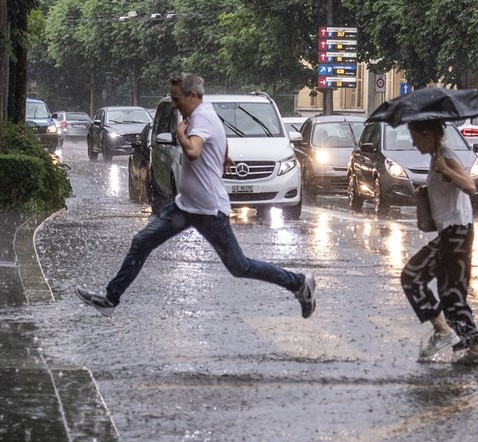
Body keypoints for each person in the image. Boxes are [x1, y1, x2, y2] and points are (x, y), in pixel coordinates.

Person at [76, 73, 315, 318]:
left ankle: (298, 283)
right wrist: (223, 155)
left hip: (208, 210)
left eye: (176, 98)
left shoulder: (199, 119)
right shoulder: (206, 114)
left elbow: (192, 151)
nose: (173, 103)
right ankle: (111, 299)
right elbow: (219, 138)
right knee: (141, 241)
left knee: (239, 266)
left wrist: (180, 133)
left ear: (192, 96)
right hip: (186, 207)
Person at [401, 119, 478, 365]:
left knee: (412, 276)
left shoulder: (445, 157)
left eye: (415, 136)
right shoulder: (437, 158)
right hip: (454, 233)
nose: (413, 141)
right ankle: (477, 350)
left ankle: (443, 332)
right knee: (450, 294)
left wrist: (447, 171)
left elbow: (470, 186)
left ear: (428, 134)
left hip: (456, 234)